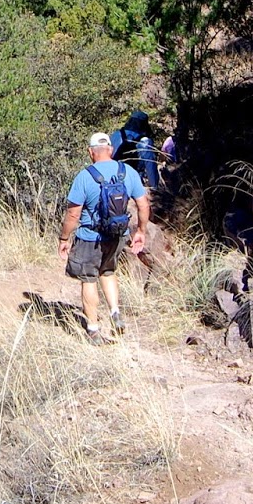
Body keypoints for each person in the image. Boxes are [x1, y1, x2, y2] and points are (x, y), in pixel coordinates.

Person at [60, 132, 150, 345]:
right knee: (108, 271)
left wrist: (64, 238)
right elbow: (143, 204)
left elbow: (73, 214)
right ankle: (115, 312)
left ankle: (92, 329)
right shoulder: (127, 172)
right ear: (110, 150)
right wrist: (141, 231)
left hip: (90, 237)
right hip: (118, 235)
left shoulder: (84, 176)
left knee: (89, 279)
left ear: (91, 152)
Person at [110, 111, 160, 192]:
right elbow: (150, 165)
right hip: (135, 182)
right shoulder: (145, 141)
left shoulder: (116, 135)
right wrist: (154, 186)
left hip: (114, 179)